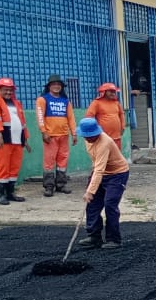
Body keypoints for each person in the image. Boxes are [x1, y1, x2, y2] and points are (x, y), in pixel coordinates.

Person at [75, 117, 130, 250]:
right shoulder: (88, 140)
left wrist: (90, 191)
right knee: (92, 204)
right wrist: (91, 187)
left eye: (91, 136)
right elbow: (96, 165)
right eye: (86, 136)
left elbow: (99, 169)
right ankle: (94, 236)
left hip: (117, 174)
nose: (88, 138)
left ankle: (114, 239)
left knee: (110, 204)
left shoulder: (104, 143)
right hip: (100, 172)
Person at [0, 76, 30, 205]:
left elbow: (22, 122)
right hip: (3, 140)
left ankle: (10, 193)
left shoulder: (17, 103)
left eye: (10, 90)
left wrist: (25, 139)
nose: (8, 92)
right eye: (5, 90)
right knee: (2, 166)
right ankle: (1, 194)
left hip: (17, 140)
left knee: (14, 167)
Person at [35, 74, 76, 197]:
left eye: (59, 84)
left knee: (62, 161)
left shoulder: (66, 101)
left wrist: (74, 133)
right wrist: (44, 132)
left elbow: (71, 118)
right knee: (49, 162)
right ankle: (49, 186)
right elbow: (40, 117)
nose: (56, 86)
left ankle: (61, 184)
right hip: (50, 136)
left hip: (64, 136)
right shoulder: (42, 99)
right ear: (49, 86)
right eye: (54, 84)